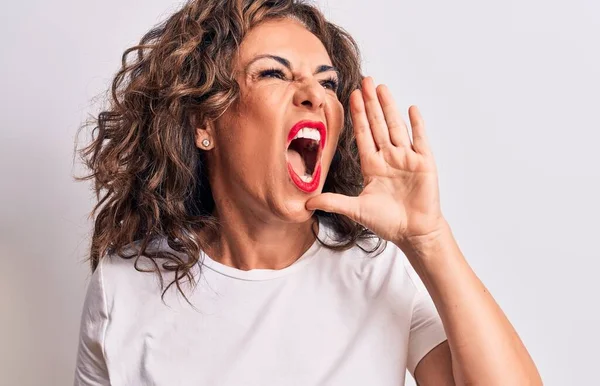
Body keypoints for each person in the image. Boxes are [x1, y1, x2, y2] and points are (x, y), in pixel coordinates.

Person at [73, 0, 542, 385]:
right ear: (203, 122)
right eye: (273, 74)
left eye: (327, 81)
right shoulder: (123, 286)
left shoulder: (378, 271)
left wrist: (429, 238)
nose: (314, 94)